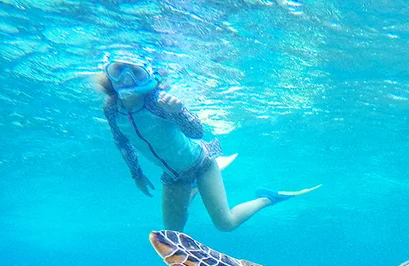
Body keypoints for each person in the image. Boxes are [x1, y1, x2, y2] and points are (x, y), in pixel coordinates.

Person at [97, 60, 318, 232]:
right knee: (173, 235)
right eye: (118, 71)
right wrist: (136, 174)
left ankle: (268, 198)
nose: (127, 79)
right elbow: (122, 142)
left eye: (135, 72)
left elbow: (196, 132)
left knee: (226, 224)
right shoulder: (111, 108)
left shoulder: (157, 101)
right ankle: (192, 188)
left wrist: (178, 113)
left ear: (147, 75)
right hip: (173, 175)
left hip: (201, 164)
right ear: (108, 75)